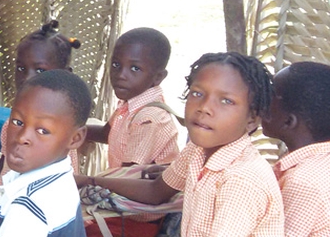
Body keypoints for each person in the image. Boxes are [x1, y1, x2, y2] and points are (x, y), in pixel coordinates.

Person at [77, 52, 285, 237]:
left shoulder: (240, 181)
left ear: (252, 119)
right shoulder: (198, 151)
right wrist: (88, 180)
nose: (204, 108)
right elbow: (155, 192)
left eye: (226, 101)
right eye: (197, 94)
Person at [0, 69, 90, 237]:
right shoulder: (62, 180)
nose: (22, 137)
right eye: (17, 122)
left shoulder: (26, 211)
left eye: (43, 131)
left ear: (75, 138)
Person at [0, 20, 82, 187]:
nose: (27, 78)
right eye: (21, 68)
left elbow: (53, 187)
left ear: (64, 75)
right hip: (5, 199)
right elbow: (3, 166)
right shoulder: (14, 120)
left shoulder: (58, 128)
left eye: (40, 70)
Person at [86, 27, 180, 168]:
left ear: (158, 77)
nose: (121, 75)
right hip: (122, 182)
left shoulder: (149, 118)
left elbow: (128, 173)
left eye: (135, 68)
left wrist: (88, 182)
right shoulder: (130, 105)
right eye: (116, 65)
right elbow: (107, 134)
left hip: (132, 185)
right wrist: (70, 131)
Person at [261, 61, 330, 237]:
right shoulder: (320, 162)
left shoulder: (303, 183)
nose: (262, 101)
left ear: (288, 121)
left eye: (271, 95)